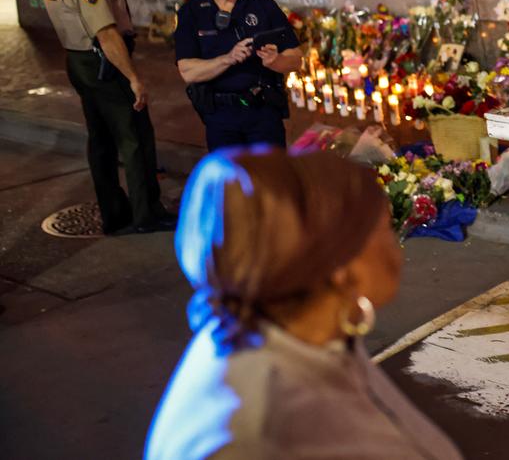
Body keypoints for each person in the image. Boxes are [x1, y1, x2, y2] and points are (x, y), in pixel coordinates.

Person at [145, 148, 462, 459]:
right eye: (382, 231)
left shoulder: (317, 337)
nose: (398, 252)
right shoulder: (255, 437)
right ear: (339, 264)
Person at [40, 0, 173, 234]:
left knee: (100, 138)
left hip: (78, 62)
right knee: (135, 137)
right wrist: (133, 78)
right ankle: (146, 214)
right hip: (103, 66)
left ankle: (114, 212)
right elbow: (107, 35)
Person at [175, 0, 301, 151]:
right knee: (231, 181)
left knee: (271, 179)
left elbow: (296, 59)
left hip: (263, 111)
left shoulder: (262, 5)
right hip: (220, 114)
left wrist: (276, 61)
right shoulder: (192, 12)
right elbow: (188, 71)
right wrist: (228, 59)